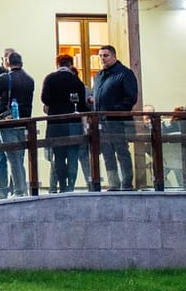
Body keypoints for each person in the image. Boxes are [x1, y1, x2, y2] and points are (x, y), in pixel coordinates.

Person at [0, 49, 35, 199]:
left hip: (7, 122)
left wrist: (2, 99)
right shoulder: (30, 79)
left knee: (12, 157)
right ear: (22, 63)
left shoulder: (4, 78)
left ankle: (19, 191)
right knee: (20, 157)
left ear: (8, 62)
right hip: (25, 122)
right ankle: (23, 189)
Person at [39, 53, 92, 192]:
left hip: (55, 123)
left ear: (57, 64)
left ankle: (62, 184)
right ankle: (71, 186)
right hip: (73, 124)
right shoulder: (76, 81)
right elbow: (82, 106)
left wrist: (55, 103)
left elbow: (45, 99)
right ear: (71, 64)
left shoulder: (50, 78)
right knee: (73, 155)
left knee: (59, 156)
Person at [92, 44, 141, 190]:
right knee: (107, 154)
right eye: (100, 56)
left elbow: (131, 98)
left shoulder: (125, 73)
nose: (102, 58)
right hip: (102, 122)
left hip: (118, 121)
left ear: (114, 56)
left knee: (122, 152)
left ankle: (127, 183)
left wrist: (113, 110)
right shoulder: (99, 75)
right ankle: (113, 183)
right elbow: (97, 95)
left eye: (105, 55)